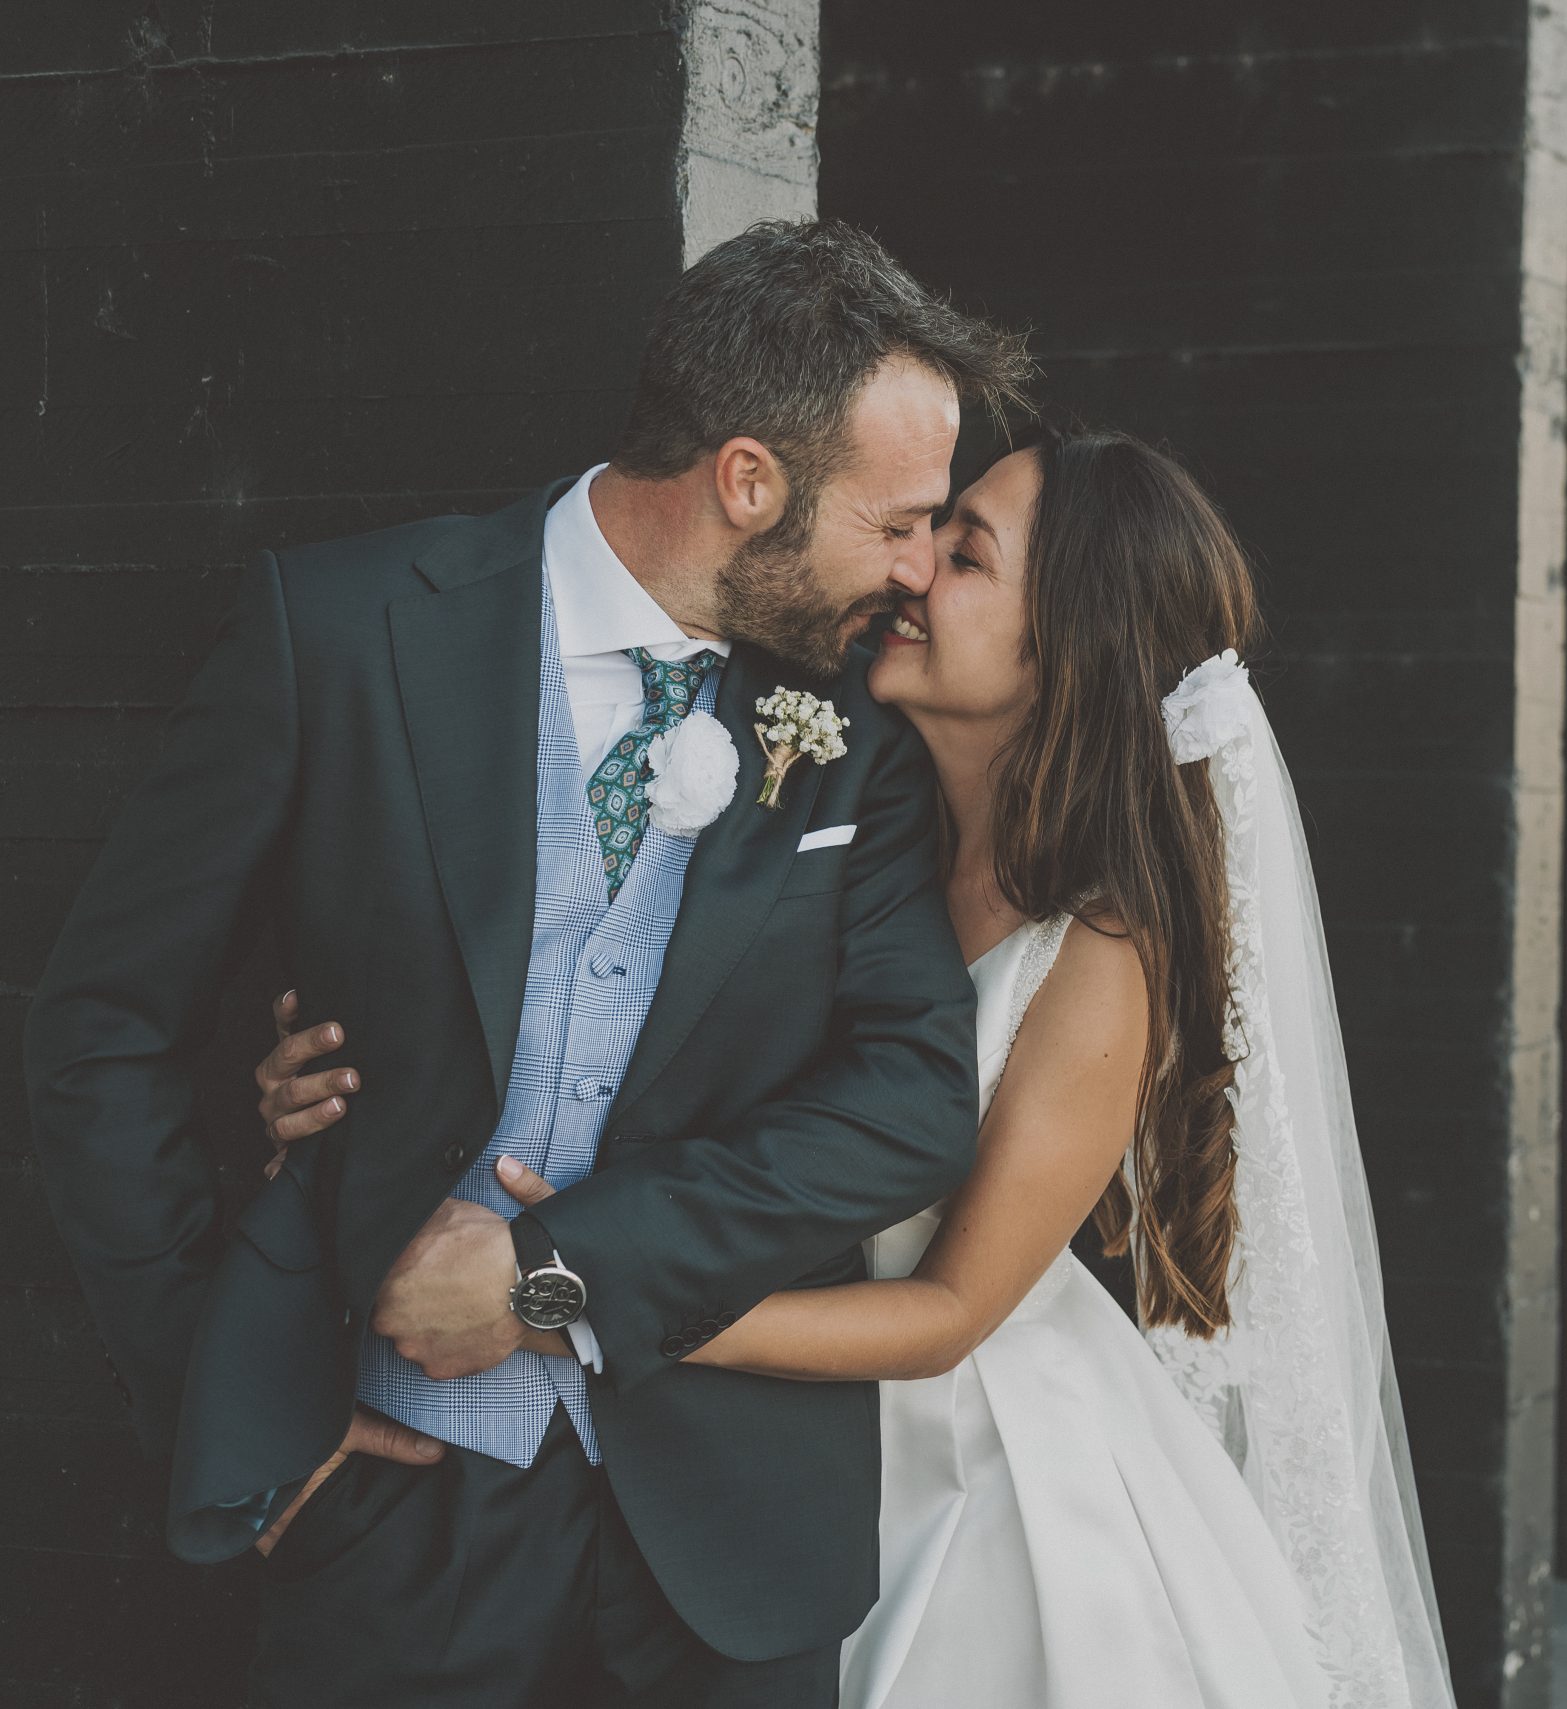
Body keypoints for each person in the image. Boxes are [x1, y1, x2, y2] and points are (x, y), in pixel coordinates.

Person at [259, 426, 1459, 1708]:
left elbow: (945, 1317)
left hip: (979, 1478)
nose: (914, 569)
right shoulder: (863, 819)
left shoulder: (1103, 950)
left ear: (1065, 643)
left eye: (967, 552)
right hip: (769, 1455)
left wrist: (580, 1307)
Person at [23, 219, 1032, 1706]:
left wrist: (554, 1278)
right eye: (894, 523)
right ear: (749, 482)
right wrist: (223, 1397)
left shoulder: (853, 734)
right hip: (386, 1517)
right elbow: (105, 1023)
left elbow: (904, 1101)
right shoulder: (345, 630)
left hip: (728, 1554)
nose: (913, 573)